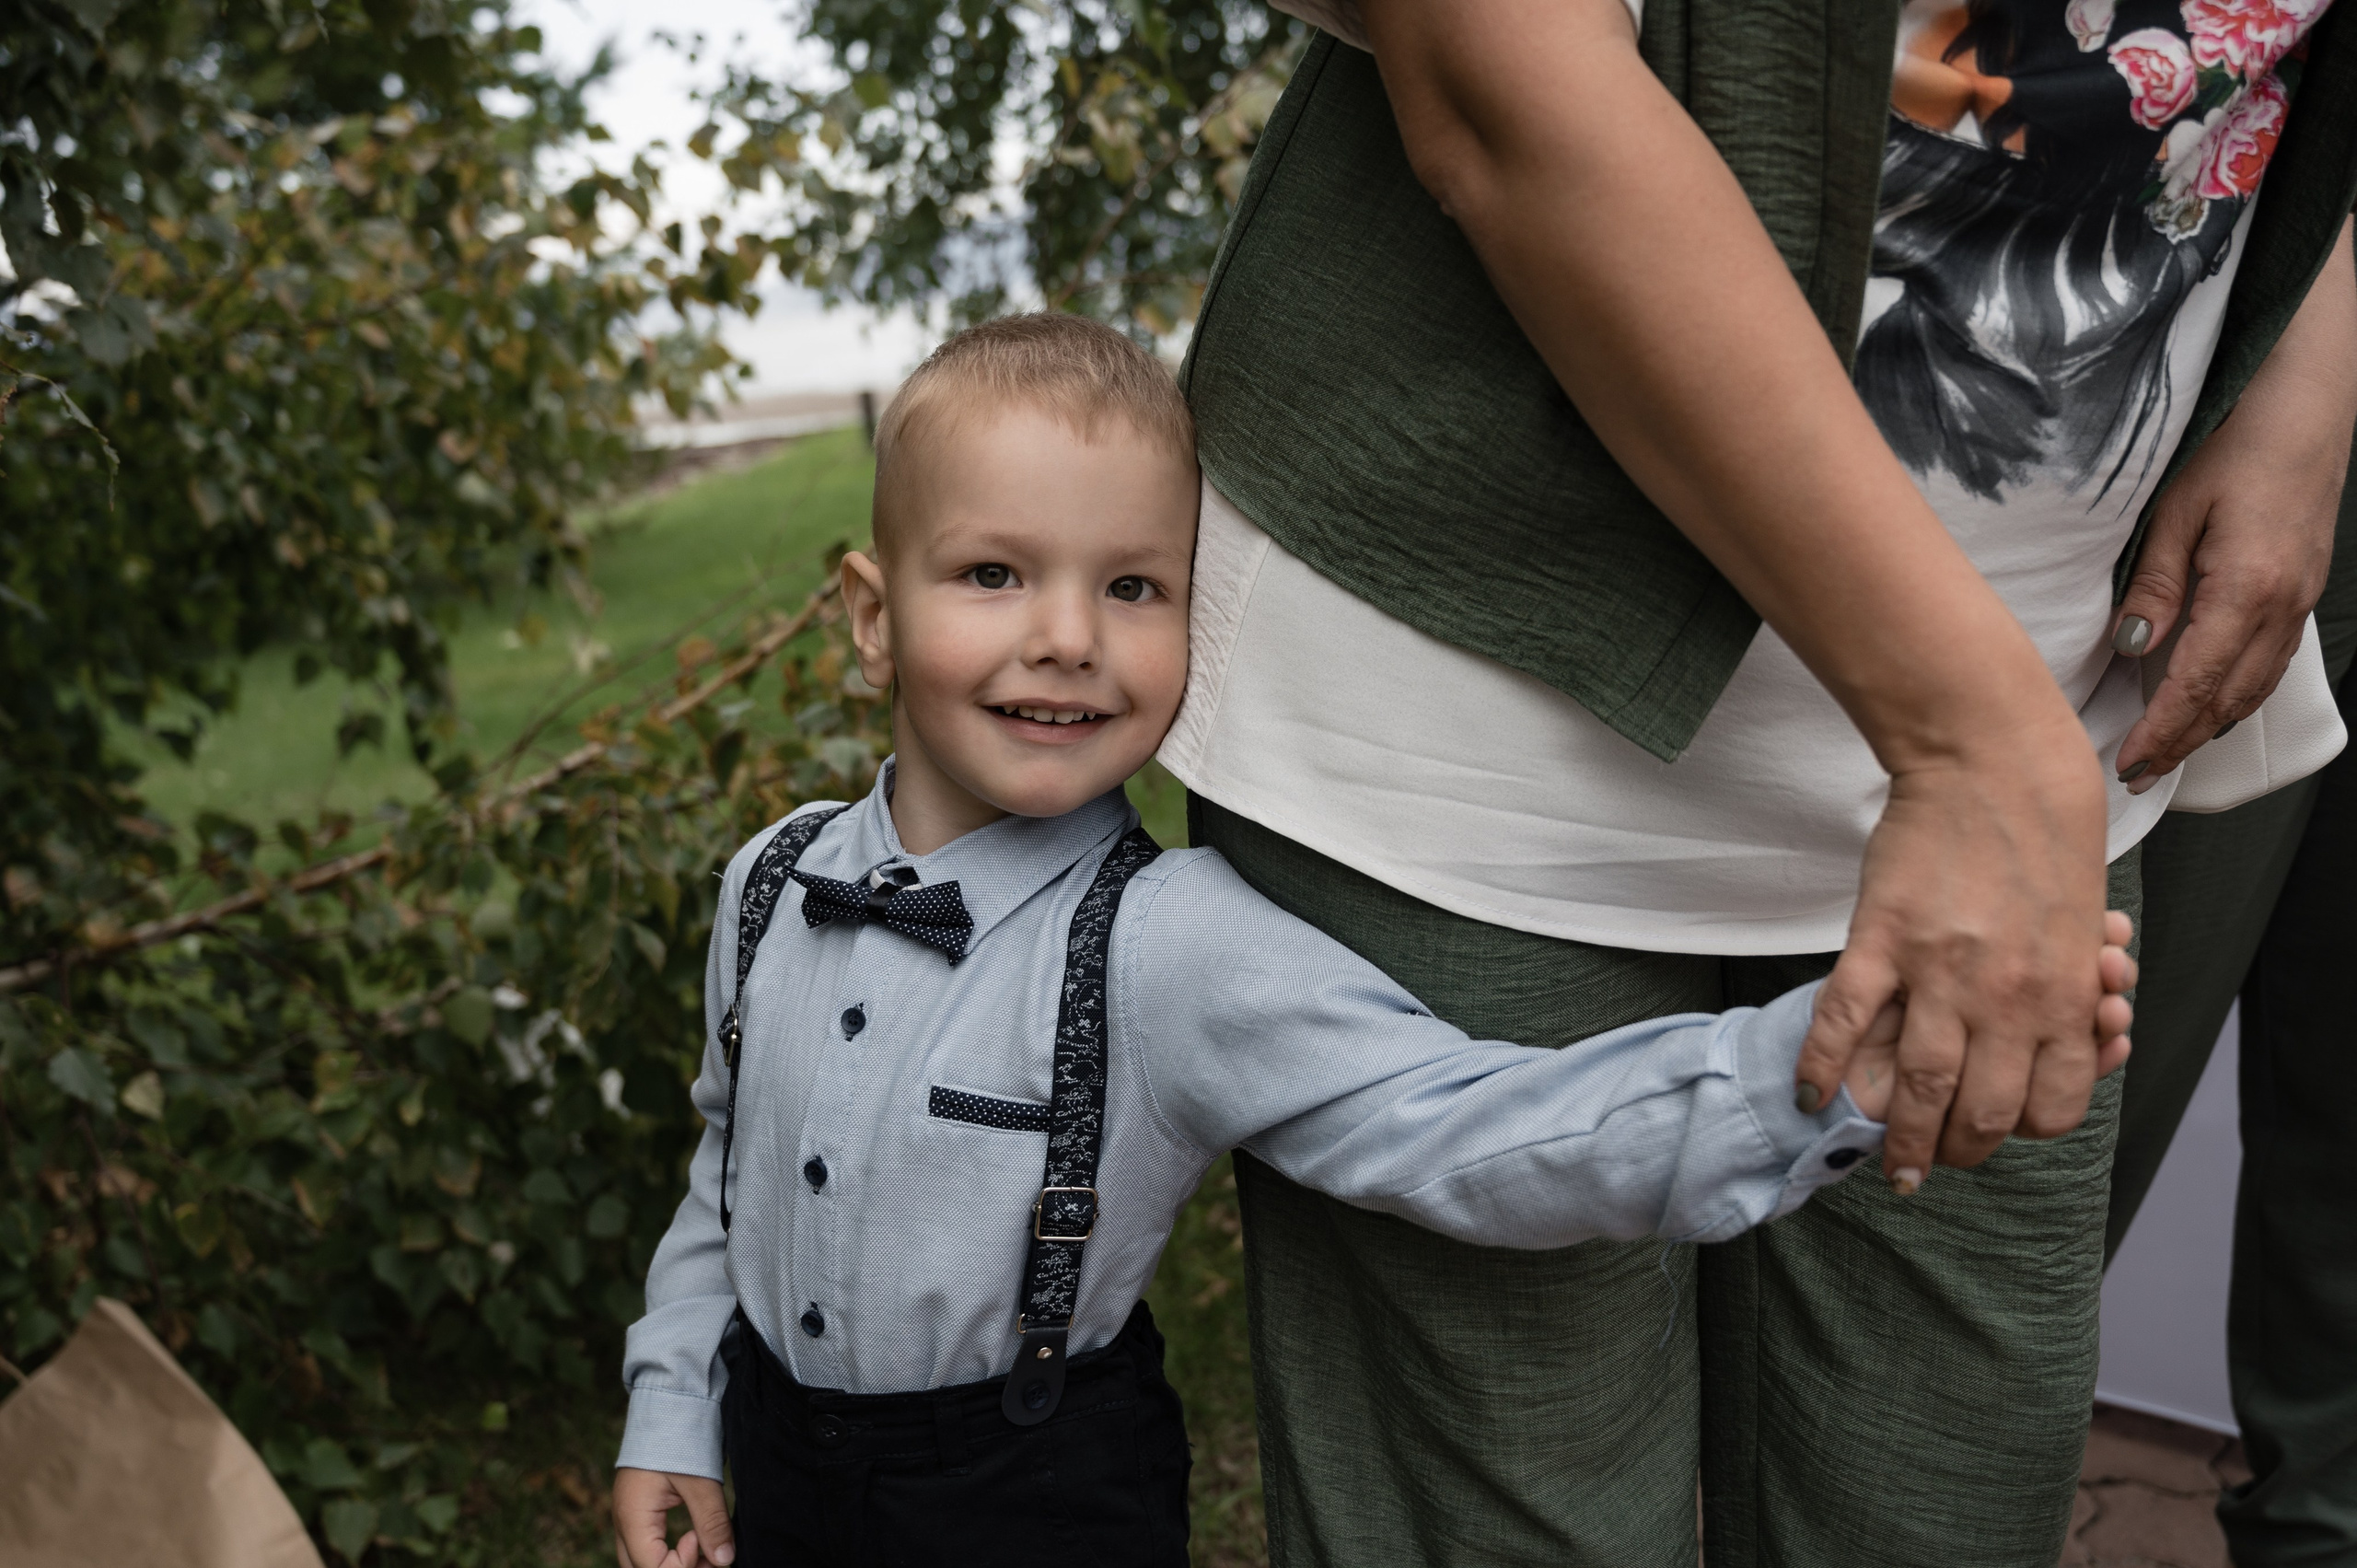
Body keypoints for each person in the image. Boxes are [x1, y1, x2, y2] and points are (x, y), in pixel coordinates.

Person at [604, 313, 2140, 1568]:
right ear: (872, 617)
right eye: (995, 573)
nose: (1067, 634)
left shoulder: (1168, 943)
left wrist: (1802, 1068)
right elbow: (724, 1173)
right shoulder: (774, 878)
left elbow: (1462, 1130)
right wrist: (675, 1407)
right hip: (780, 1471)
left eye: (1133, 586)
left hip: (1032, 1502)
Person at [1167, 0, 2357, 1562]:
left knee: (1945, 1506)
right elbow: (1503, 83)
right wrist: (1972, 744)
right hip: (1479, 718)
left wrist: (2308, 367)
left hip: (2044, 727)